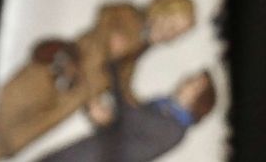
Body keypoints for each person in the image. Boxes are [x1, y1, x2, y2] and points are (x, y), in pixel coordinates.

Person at [0, 0, 195, 160]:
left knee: (5, 144)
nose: (171, 34)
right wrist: (96, 96)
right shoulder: (129, 16)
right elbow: (103, 27)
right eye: (173, 25)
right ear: (163, 9)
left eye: (178, 33)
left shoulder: (140, 48)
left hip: (67, 99)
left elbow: (121, 83)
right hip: (53, 77)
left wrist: (121, 110)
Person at [39, 68, 217, 161]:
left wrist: (114, 73)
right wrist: (104, 117)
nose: (186, 81)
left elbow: (132, 117)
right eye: (192, 78)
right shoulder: (163, 106)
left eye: (194, 84)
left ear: (197, 101)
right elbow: (125, 129)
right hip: (90, 151)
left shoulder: (174, 129)